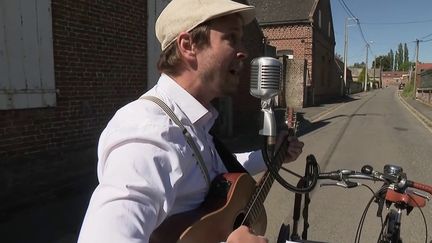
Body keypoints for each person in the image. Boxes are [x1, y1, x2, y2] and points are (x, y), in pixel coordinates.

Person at [77, 0, 304, 242]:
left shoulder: (192, 121)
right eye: (231, 38)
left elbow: (212, 171)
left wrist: (273, 155)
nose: (244, 51)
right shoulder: (150, 133)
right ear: (188, 45)